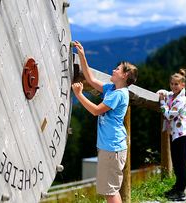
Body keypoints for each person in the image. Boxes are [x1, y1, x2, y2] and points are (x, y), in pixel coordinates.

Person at [72, 41, 138, 203]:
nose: (113, 70)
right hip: (110, 146)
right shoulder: (112, 89)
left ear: (125, 76)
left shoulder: (119, 94)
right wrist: (82, 55)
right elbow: (91, 79)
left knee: (110, 190)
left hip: (112, 148)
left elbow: (96, 110)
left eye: (117, 69)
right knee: (110, 188)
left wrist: (79, 94)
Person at [157, 69, 186, 201]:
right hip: (175, 134)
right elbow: (166, 93)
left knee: (181, 163)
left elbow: (169, 114)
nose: (173, 86)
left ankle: (181, 192)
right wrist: (162, 92)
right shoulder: (173, 95)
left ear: (183, 85)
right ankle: (177, 187)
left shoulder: (181, 99)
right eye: (171, 84)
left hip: (181, 134)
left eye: (176, 84)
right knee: (176, 162)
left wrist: (162, 103)